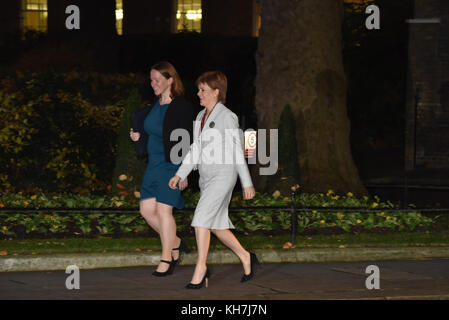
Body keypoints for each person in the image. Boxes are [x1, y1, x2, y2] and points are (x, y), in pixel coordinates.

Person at [169, 71, 259, 289]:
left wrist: (246, 182)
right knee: (217, 227)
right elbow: (195, 149)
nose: (198, 93)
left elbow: (238, 150)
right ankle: (247, 257)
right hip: (207, 178)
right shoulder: (200, 117)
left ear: (217, 92)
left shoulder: (227, 117)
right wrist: (181, 173)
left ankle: (201, 267)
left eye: (203, 90)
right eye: (199, 89)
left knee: (200, 219)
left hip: (224, 174)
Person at [130, 61, 196, 277]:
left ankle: (167, 257)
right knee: (146, 210)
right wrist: (139, 137)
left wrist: (183, 172)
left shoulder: (181, 107)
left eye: (158, 79)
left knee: (163, 211)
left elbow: (187, 141)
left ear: (170, 80)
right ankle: (176, 242)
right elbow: (153, 131)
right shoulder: (154, 106)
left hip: (172, 166)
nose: (153, 83)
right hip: (153, 165)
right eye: (151, 80)